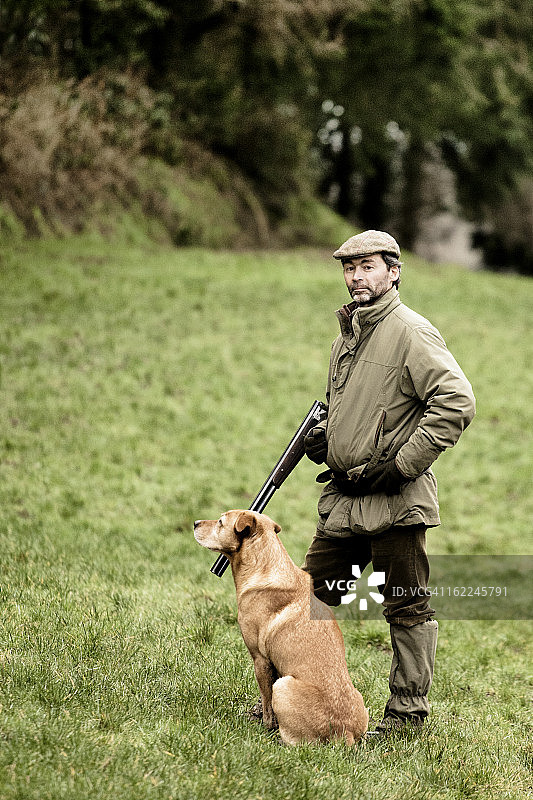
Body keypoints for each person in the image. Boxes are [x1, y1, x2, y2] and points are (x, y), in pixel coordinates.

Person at [302, 229, 476, 733]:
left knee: (405, 608)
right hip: (346, 501)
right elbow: (356, 408)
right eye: (349, 268)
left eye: (367, 267)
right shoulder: (348, 336)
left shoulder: (411, 331)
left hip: (397, 503)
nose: (356, 277)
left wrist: (402, 464)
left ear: (393, 271)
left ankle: (406, 718)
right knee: (308, 600)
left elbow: (456, 402)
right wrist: (327, 440)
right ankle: (289, 699)